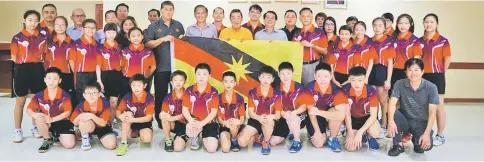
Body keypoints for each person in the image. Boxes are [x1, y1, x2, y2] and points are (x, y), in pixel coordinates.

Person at [145, 0, 185, 130]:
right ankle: (160, 119)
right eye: (166, 9)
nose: (168, 12)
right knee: (161, 94)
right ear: (161, 10)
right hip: (161, 67)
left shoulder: (178, 25)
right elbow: (148, 44)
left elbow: (184, 45)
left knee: (178, 94)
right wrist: (162, 39)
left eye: (171, 9)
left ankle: (178, 118)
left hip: (176, 68)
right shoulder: (153, 26)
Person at [387, 58, 438, 156]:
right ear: (405, 72)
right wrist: (390, 122)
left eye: (416, 70)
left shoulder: (431, 87)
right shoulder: (399, 83)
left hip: (421, 122)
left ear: (422, 71)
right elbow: (392, 104)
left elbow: (432, 112)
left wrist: (426, 134)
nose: (413, 73)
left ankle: (416, 139)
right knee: (393, 114)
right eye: (410, 70)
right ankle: (399, 144)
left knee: (424, 147)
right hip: (405, 119)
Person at [11, 10, 48, 142]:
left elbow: (44, 55)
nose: (33, 23)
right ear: (24, 20)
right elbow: (14, 57)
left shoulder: (42, 37)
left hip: (37, 69)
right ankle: (17, 130)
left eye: (36, 20)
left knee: (36, 101)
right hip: (22, 69)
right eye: (30, 20)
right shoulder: (17, 38)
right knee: (20, 101)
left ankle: (35, 127)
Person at [27, 67, 76, 153]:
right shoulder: (39, 95)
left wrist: (52, 119)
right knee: (39, 118)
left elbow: (68, 112)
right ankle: (47, 139)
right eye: (49, 78)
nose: (51, 81)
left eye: (55, 79)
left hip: (62, 121)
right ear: (44, 79)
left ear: (60, 80)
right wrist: (34, 115)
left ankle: (55, 134)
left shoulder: (65, 95)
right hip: (47, 120)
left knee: (69, 145)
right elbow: (29, 109)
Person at [420, 13, 451, 146]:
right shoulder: (419, 41)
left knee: (439, 107)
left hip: (437, 75)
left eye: (432, 22)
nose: (429, 24)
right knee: (424, 106)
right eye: (426, 22)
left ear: (436, 24)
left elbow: (447, 59)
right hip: (422, 76)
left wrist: (441, 72)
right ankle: (425, 132)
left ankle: (440, 134)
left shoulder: (443, 41)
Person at [238, 66, 282, 155]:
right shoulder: (253, 92)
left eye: (268, 77)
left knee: (268, 123)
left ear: (273, 79)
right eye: (263, 77)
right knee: (241, 142)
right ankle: (257, 136)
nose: (265, 80)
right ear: (259, 78)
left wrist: (270, 117)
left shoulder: (277, 95)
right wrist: (259, 118)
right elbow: (250, 112)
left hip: (269, 120)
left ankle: (265, 142)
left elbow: (278, 115)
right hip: (255, 119)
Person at [306, 63, 348, 152]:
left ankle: (333, 138)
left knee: (337, 113)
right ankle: (316, 132)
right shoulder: (310, 87)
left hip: (327, 114)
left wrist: (319, 112)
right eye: (319, 76)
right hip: (314, 117)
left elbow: (341, 116)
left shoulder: (336, 90)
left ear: (331, 76)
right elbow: (311, 112)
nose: (322, 80)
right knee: (319, 143)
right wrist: (317, 131)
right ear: (315, 76)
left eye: (325, 76)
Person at [270, 62, 309, 153]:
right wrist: (283, 113)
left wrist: (293, 113)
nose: (285, 76)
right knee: (272, 142)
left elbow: (303, 106)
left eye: (288, 73)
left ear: (293, 74)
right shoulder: (276, 87)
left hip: (298, 116)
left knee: (293, 118)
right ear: (279, 74)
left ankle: (297, 141)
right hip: (283, 116)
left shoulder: (299, 87)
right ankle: (290, 131)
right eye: (282, 74)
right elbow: (275, 106)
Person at [182, 63, 220, 153]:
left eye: (204, 74)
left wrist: (202, 123)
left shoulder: (214, 92)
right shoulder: (189, 90)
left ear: (209, 76)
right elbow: (184, 109)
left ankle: (205, 136)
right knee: (190, 129)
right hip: (194, 121)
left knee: (211, 149)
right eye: (199, 74)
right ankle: (194, 137)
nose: (201, 77)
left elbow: (213, 112)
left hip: (208, 122)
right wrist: (191, 120)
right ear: (195, 76)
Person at [115, 74, 155, 156]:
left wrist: (132, 120)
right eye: (134, 85)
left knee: (147, 139)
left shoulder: (149, 98)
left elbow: (148, 117)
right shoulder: (127, 96)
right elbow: (118, 111)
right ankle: (123, 143)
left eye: (139, 85)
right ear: (130, 86)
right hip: (131, 121)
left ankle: (138, 131)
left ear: (145, 85)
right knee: (127, 114)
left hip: (144, 122)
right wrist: (121, 116)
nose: (136, 88)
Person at [342, 66, 380, 152]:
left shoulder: (371, 92)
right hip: (353, 119)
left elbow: (373, 116)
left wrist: (360, 132)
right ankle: (357, 134)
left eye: (360, 80)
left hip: (367, 118)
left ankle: (369, 136)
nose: (356, 84)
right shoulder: (345, 90)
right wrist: (350, 133)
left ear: (365, 79)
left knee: (375, 132)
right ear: (349, 79)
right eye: (353, 80)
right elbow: (346, 114)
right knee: (350, 148)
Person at [70, 81, 117, 151]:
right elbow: (74, 122)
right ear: (84, 95)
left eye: (94, 93)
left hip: (102, 126)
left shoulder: (105, 104)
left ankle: (106, 135)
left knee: (111, 145)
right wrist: (81, 116)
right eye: (88, 93)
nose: (91, 95)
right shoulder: (81, 105)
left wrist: (91, 115)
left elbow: (103, 123)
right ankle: (85, 138)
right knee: (83, 119)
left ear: (99, 94)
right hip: (88, 125)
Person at [369, 17, 396, 136]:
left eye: (380, 25)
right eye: (375, 25)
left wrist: (388, 80)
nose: (377, 28)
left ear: (385, 27)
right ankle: (373, 123)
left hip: (382, 70)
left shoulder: (389, 42)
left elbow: (390, 62)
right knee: (372, 100)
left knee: (383, 101)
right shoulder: (369, 41)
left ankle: (384, 125)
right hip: (370, 71)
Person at [68, 19, 101, 108]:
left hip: (94, 74)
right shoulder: (76, 44)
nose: (91, 30)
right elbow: (71, 60)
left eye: (93, 28)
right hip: (80, 74)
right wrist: (76, 72)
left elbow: (99, 62)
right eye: (88, 27)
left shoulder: (98, 45)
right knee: (80, 96)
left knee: (93, 96)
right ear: (83, 29)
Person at [293, 8, 328, 87]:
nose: (305, 18)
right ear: (300, 18)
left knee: (313, 89)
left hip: (314, 65)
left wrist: (312, 45)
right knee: (301, 90)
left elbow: (325, 51)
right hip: (299, 66)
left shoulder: (319, 32)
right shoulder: (297, 33)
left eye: (308, 16)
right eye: (303, 16)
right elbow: (292, 50)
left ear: (312, 17)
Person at [45, 16, 75, 104]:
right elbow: (44, 60)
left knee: (66, 100)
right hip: (52, 76)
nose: (60, 27)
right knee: (52, 101)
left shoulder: (73, 43)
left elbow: (73, 62)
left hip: (67, 75)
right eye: (57, 25)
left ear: (66, 26)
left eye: (62, 25)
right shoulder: (48, 42)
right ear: (54, 26)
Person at [96, 23, 123, 122]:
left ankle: (110, 123)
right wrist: (99, 80)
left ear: (116, 33)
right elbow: (98, 65)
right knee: (103, 101)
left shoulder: (120, 47)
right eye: (108, 32)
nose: (111, 34)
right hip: (104, 75)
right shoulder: (100, 47)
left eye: (113, 32)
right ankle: (103, 122)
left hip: (117, 76)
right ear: (104, 33)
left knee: (114, 101)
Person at [120, 27, 156, 98]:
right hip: (127, 80)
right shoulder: (124, 51)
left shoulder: (148, 52)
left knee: (143, 100)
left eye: (138, 35)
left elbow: (153, 66)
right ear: (129, 38)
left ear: (142, 36)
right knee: (127, 99)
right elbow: (120, 65)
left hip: (143, 80)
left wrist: (147, 76)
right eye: (133, 36)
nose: (136, 38)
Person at [391, 14, 422, 95]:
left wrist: (412, 74)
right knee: (394, 97)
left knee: (407, 99)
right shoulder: (393, 39)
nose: (403, 26)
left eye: (406, 23)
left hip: (408, 72)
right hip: (393, 71)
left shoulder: (415, 40)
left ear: (411, 24)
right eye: (400, 23)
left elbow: (416, 60)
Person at [160, 70, 188, 152]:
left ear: (185, 82)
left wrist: (172, 118)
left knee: (178, 148)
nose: (178, 82)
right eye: (175, 80)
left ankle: (184, 136)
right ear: (171, 82)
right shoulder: (168, 97)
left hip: (186, 124)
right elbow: (163, 111)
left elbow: (189, 113)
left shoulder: (189, 95)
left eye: (181, 80)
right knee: (164, 117)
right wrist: (162, 115)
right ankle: (168, 139)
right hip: (174, 124)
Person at [217, 71, 245, 153]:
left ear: (235, 83)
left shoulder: (240, 98)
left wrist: (237, 122)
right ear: (222, 83)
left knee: (234, 125)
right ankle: (226, 138)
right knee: (225, 149)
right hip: (224, 125)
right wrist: (225, 123)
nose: (228, 84)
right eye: (226, 81)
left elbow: (242, 119)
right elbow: (219, 118)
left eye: (231, 81)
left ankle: (234, 139)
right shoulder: (218, 98)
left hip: (236, 126)